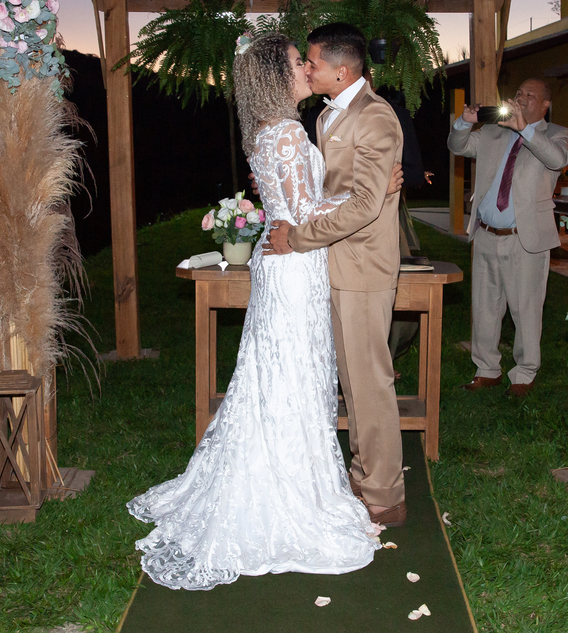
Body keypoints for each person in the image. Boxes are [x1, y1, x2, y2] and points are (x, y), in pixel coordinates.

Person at [127, 33, 386, 591]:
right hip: (295, 269)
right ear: (276, 74)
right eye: (299, 62)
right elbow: (303, 211)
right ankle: (292, 492)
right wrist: (374, 192)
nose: (307, 69)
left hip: (284, 265)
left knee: (276, 375)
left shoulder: (267, 132)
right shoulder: (289, 132)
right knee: (290, 375)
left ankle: (278, 472)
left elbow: (289, 209)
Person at [265, 23, 407, 528]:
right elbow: (338, 189)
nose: (306, 67)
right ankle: (362, 471)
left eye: (313, 62)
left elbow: (366, 206)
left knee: (368, 382)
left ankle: (385, 495)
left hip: (362, 267)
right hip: (331, 263)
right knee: (351, 378)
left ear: (341, 70)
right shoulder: (327, 116)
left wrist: (297, 238)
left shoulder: (374, 117)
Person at [448, 79, 568, 396]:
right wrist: (465, 121)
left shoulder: (558, 134)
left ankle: (524, 374)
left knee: (525, 308)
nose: (520, 99)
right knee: (485, 307)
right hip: (487, 234)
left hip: (525, 238)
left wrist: (524, 130)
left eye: (529, 95)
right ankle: (487, 369)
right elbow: (457, 146)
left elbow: (557, 160)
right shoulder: (492, 133)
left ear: (545, 104)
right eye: (518, 94)